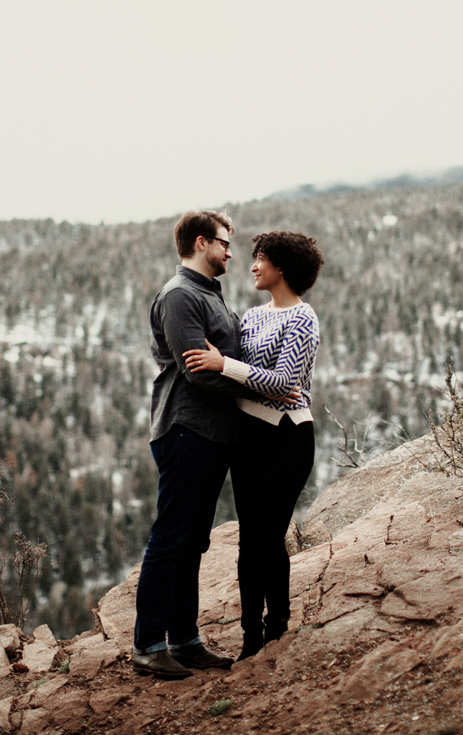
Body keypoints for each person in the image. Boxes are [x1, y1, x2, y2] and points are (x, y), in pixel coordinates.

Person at [183, 230, 323, 660]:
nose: (252, 265)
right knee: (249, 540)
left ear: (282, 267)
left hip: (286, 437)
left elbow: (284, 385)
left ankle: (277, 628)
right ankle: (250, 637)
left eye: (260, 258)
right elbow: (244, 374)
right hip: (248, 437)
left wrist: (225, 364)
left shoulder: (303, 319)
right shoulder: (251, 316)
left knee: (268, 537)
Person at [130, 210, 247, 680]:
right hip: (185, 429)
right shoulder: (180, 295)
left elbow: (224, 361)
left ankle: (184, 640)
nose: (230, 252)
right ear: (202, 243)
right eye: (224, 243)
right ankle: (147, 644)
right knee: (172, 538)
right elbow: (198, 370)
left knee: (192, 542)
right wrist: (254, 385)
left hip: (211, 434)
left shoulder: (209, 295)